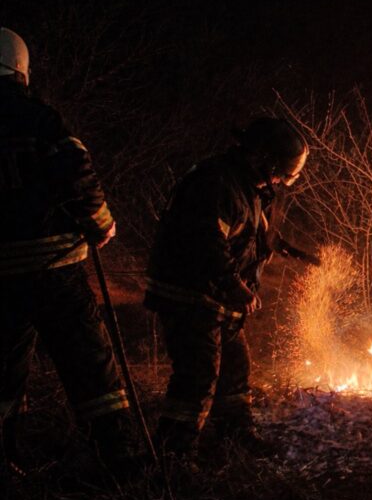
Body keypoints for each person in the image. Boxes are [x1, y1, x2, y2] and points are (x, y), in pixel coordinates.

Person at [0, 27, 134, 474]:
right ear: (20, 69)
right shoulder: (39, 118)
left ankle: (7, 462)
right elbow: (77, 173)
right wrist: (101, 226)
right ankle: (118, 461)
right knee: (89, 363)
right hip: (53, 269)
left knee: (4, 367)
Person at [145, 117, 313, 460]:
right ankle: (173, 454)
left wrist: (276, 244)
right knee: (197, 375)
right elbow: (206, 244)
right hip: (190, 296)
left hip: (215, 298)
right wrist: (235, 285)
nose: (281, 181)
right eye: (280, 172)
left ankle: (235, 435)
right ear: (262, 159)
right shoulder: (216, 183)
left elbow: (243, 231)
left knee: (235, 368)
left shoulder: (246, 185)